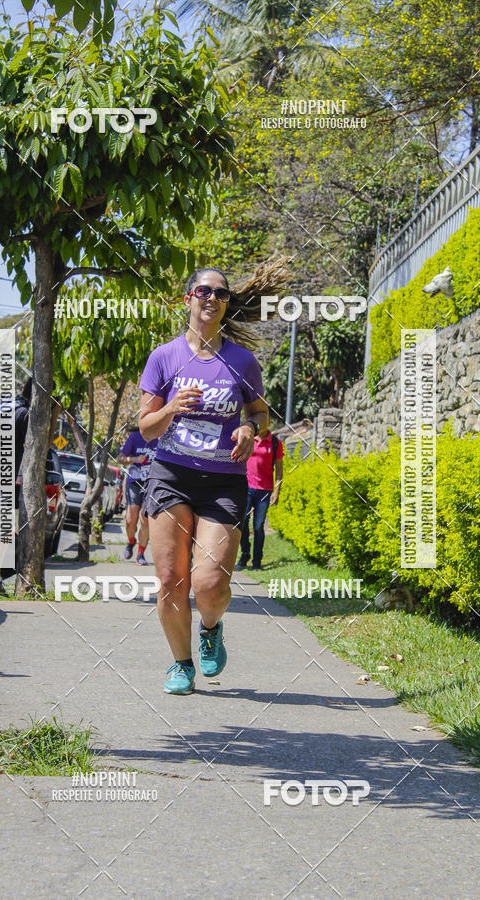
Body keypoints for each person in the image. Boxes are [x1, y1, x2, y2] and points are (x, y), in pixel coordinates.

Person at [138, 261, 287, 694]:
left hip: (224, 479)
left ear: (226, 306)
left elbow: (260, 413)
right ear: (189, 298)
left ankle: (210, 627)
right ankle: (181, 664)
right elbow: (147, 428)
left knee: (209, 583)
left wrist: (248, 428)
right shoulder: (164, 357)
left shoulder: (242, 361)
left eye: (221, 294)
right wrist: (169, 409)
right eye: (204, 291)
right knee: (170, 578)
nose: (212, 299)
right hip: (171, 474)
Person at [0, 376, 60, 595]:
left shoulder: (4, 408)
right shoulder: (26, 416)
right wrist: (54, 415)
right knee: (4, 529)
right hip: (5, 478)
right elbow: (42, 446)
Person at [235, 424, 284, 570]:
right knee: (242, 522)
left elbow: (280, 469)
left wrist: (277, 491)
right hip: (247, 488)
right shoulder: (247, 439)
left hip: (265, 491)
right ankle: (244, 555)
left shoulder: (275, 443)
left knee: (258, 526)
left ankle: (257, 562)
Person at [117, 426, 158, 565]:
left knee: (145, 520)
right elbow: (121, 458)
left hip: (152, 483)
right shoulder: (134, 437)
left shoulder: (161, 437)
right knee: (130, 520)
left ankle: (140, 554)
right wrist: (135, 459)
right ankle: (131, 541)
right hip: (134, 481)